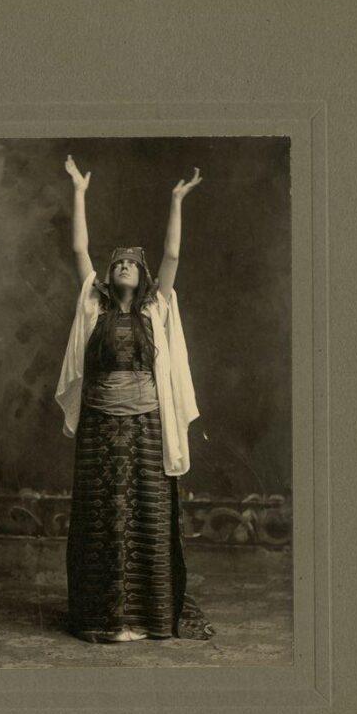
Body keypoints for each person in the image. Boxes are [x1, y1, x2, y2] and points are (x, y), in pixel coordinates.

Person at [55, 155, 216, 643]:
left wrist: (175, 200)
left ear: (142, 276)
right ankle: (104, 620)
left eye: (131, 263)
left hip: (147, 424)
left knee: (146, 518)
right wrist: (80, 191)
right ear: (109, 274)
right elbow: (79, 247)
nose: (123, 265)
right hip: (100, 427)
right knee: (102, 521)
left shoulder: (155, 306)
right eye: (117, 262)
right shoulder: (94, 303)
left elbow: (171, 257)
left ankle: (145, 619)